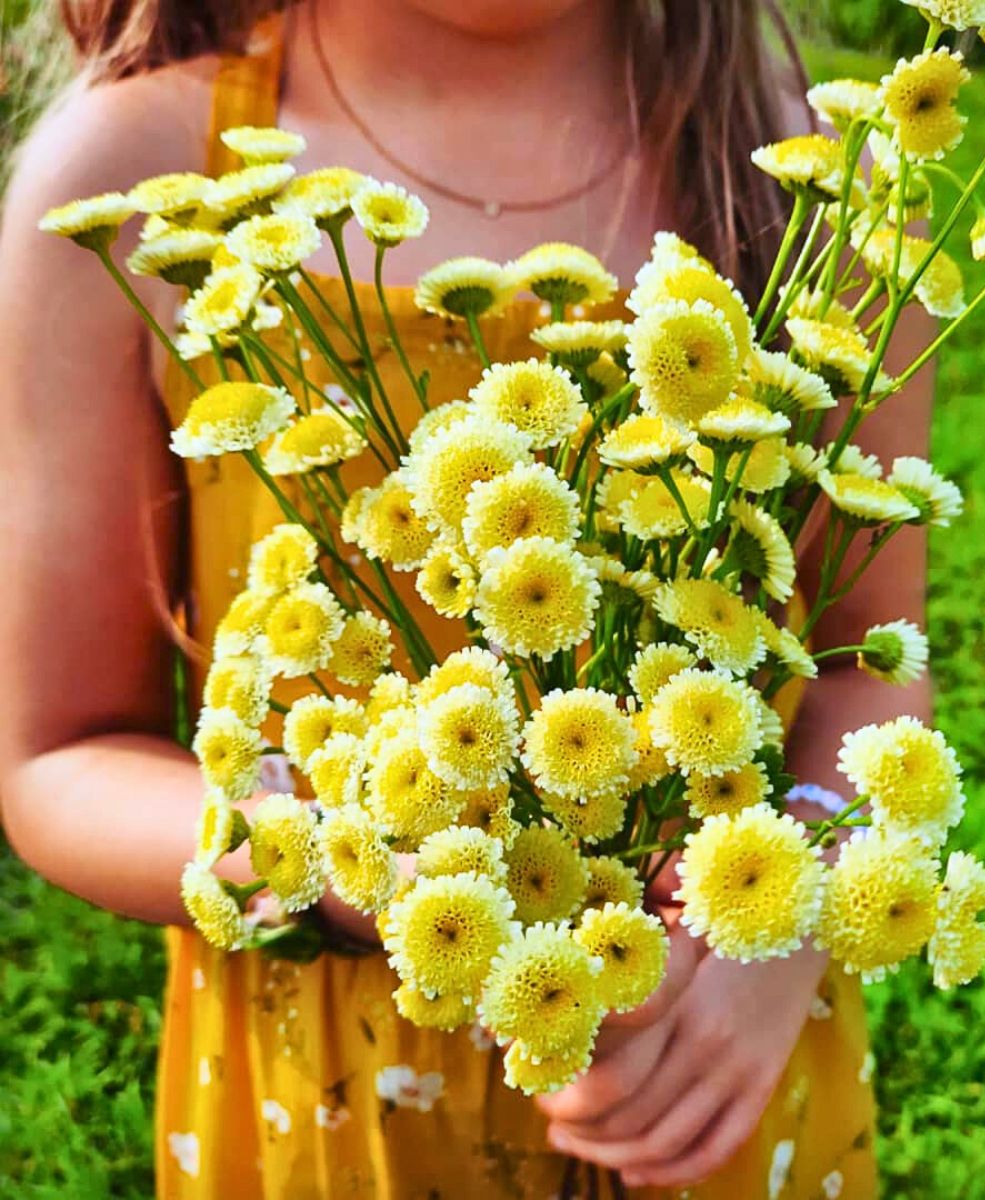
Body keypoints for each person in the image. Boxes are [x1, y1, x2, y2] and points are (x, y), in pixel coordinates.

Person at [0, 1, 935, 1195]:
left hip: (704, 1077)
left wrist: (782, 915)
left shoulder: (820, 187)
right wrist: (355, 866)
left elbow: (870, 660)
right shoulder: (133, 182)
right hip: (338, 1120)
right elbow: (61, 757)